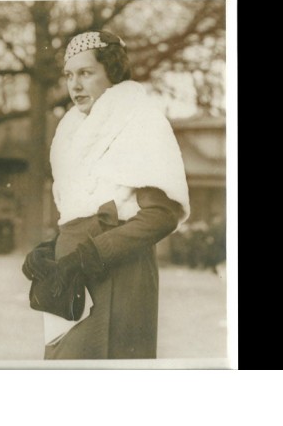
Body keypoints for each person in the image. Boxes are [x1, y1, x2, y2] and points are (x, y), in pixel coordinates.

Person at [22, 30, 190, 360]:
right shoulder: (71, 129)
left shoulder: (140, 120)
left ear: (111, 71)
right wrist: (51, 248)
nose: (75, 85)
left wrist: (91, 254)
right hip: (71, 271)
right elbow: (79, 208)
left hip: (119, 273)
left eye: (86, 73)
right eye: (69, 75)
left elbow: (162, 214)